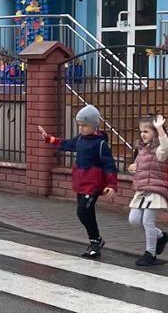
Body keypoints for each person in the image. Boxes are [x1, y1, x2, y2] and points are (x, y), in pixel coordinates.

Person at [40, 104, 118, 259]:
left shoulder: (100, 144)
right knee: (86, 212)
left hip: (93, 184)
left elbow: (109, 165)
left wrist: (111, 184)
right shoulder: (81, 139)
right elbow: (67, 144)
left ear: (94, 125)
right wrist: (50, 139)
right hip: (81, 182)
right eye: (79, 125)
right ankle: (95, 241)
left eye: (84, 125)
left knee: (82, 211)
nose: (81, 128)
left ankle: (96, 240)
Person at [124, 116, 168, 268]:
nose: (142, 134)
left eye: (146, 131)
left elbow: (166, 147)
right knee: (134, 220)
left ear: (155, 133)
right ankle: (161, 236)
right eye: (141, 131)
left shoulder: (159, 150)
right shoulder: (142, 150)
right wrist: (132, 168)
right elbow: (139, 167)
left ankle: (150, 254)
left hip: (156, 190)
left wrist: (160, 129)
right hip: (142, 191)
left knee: (147, 221)